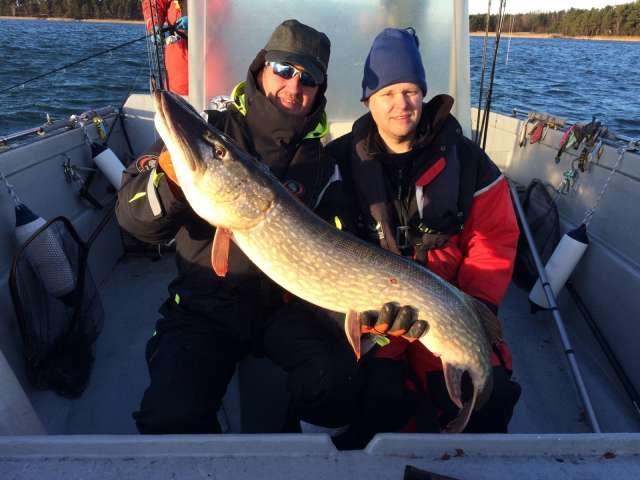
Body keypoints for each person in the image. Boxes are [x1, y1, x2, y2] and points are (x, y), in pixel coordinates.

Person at [116, 19, 423, 437]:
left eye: (309, 78)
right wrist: (167, 183)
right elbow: (134, 222)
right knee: (171, 417)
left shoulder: (325, 164)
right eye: (283, 69)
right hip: (205, 307)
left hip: (286, 310)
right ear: (261, 68)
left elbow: (337, 252)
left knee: (337, 385)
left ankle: (290, 452)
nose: (294, 86)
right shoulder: (211, 133)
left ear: (319, 90)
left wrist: (375, 316)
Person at [326, 27, 522, 447]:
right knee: (373, 399)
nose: (402, 104)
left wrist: (474, 309)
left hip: (451, 311)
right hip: (382, 322)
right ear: (368, 100)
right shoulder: (339, 161)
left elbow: (496, 241)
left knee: (491, 399)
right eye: (388, 92)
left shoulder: (469, 163)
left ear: (424, 94)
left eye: (411, 90)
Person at [142, 0, 189, 95]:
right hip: (179, 56)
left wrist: (201, 19)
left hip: (215, 53)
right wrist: (154, 25)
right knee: (176, 98)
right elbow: (154, 4)